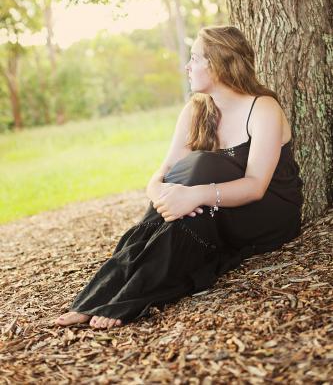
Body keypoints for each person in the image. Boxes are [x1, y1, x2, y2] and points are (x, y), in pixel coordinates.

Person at [55, 25, 304, 330]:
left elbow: (255, 186)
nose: (187, 66)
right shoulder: (196, 111)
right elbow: (166, 171)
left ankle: (126, 297)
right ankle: (100, 298)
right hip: (213, 210)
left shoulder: (262, 108)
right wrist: (160, 190)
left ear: (219, 64)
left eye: (195, 58)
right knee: (183, 208)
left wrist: (195, 194)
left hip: (267, 212)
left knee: (201, 167)